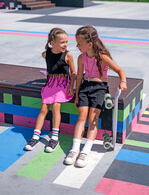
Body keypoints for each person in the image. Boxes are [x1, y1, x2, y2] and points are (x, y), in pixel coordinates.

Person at [64, 25, 127, 167]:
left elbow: (120, 70)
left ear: (90, 44)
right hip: (85, 88)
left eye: (79, 43)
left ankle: (85, 151)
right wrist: (77, 94)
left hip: (99, 89)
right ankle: (74, 149)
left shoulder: (102, 58)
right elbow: (79, 76)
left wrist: (122, 81)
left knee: (93, 119)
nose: (77, 46)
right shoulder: (81, 58)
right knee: (82, 117)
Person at [25, 28, 75, 152]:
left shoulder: (68, 55)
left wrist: (71, 86)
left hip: (63, 83)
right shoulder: (46, 53)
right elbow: (48, 60)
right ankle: (35, 136)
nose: (65, 45)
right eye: (62, 42)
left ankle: (54, 138)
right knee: (43, 108)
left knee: (56, 107)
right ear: (52, 43)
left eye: (66, 42)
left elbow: (73, 72)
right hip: (51, 84)